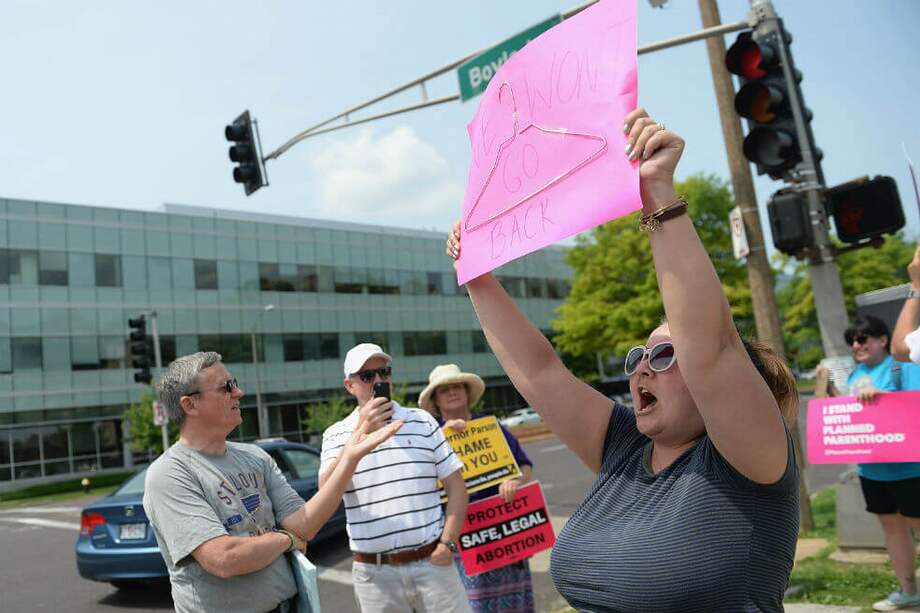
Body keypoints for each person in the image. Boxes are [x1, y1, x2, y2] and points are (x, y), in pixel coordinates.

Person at [445, 108, 800, 612]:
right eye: (638, 355)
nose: (640, 368)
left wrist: (656, 190)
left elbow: (712, 349)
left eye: (665, 354)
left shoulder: (748, 460)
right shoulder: (624, 447)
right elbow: (540, 371)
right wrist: (476, 275)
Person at [143, 351, 402, 613]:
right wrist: (286, 539)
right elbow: (224, 558)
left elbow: (305, 525)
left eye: (235, 383)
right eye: (226, 387)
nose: (239, 393)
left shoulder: (255, 457)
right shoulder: (170, 473)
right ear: (190, 405)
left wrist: (350, 456)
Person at [318, 343, 472, 613]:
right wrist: (362, 431)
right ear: (350, 385)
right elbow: (326, 493)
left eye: (384, 372)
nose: (378, 380)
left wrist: (448, 543)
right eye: (367, 376)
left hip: (433, 563)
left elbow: (457, 487)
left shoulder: (422, 421)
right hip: (375, 575)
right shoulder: (335, 434)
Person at [820, 315, 920, 612]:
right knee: (892, 529)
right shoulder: (855, 375)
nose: (855, 345)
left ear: (883, 340)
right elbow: (856, 415)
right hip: (872, 470)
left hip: (910, 468)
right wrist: (831, 394)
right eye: (851, 340)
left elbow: (914, 406)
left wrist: (882, 397)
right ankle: (908, 591)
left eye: (862, 338)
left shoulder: (905, 367)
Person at [418, 363, 536, 613]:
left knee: (518, 601)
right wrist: (443, 436)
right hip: (461, 535)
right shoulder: (430, 438)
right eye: (444, 389)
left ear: (467, 392)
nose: (452, 392)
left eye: (457, 387)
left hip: (505, 529)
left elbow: (524, 465)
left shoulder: (491, 427)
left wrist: (515, 482)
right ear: (435, 400)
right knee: (472, 603)